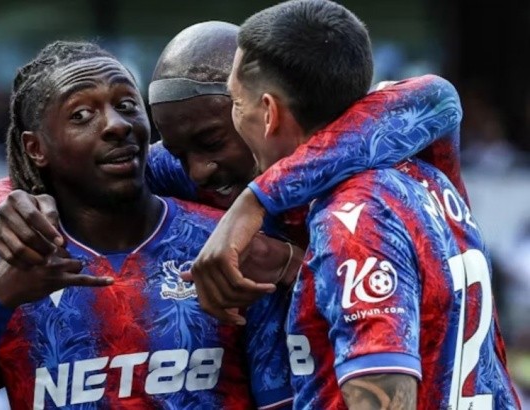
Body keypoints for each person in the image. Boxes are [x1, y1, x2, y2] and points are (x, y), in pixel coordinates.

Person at [0, 41, 295, 409]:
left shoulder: (228, 245)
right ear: (36, 148)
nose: (117, 124)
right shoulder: (0, 279)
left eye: (127, 104)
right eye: (82, 115)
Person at [190, 1, 521, 408]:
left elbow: (386, 393)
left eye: (236, 102)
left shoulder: (354, 214)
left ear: (270, 112)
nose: (234, 117)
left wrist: (254, 200)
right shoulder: (425, 172)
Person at [0, 21, 464, 287]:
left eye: (210, 142)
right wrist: (0, 211)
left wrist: (257, 202)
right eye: (179, 151)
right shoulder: (188, 168)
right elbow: (60, 181)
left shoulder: (378, 149)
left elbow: (438, 97)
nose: (197, 172)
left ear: (260, 108)